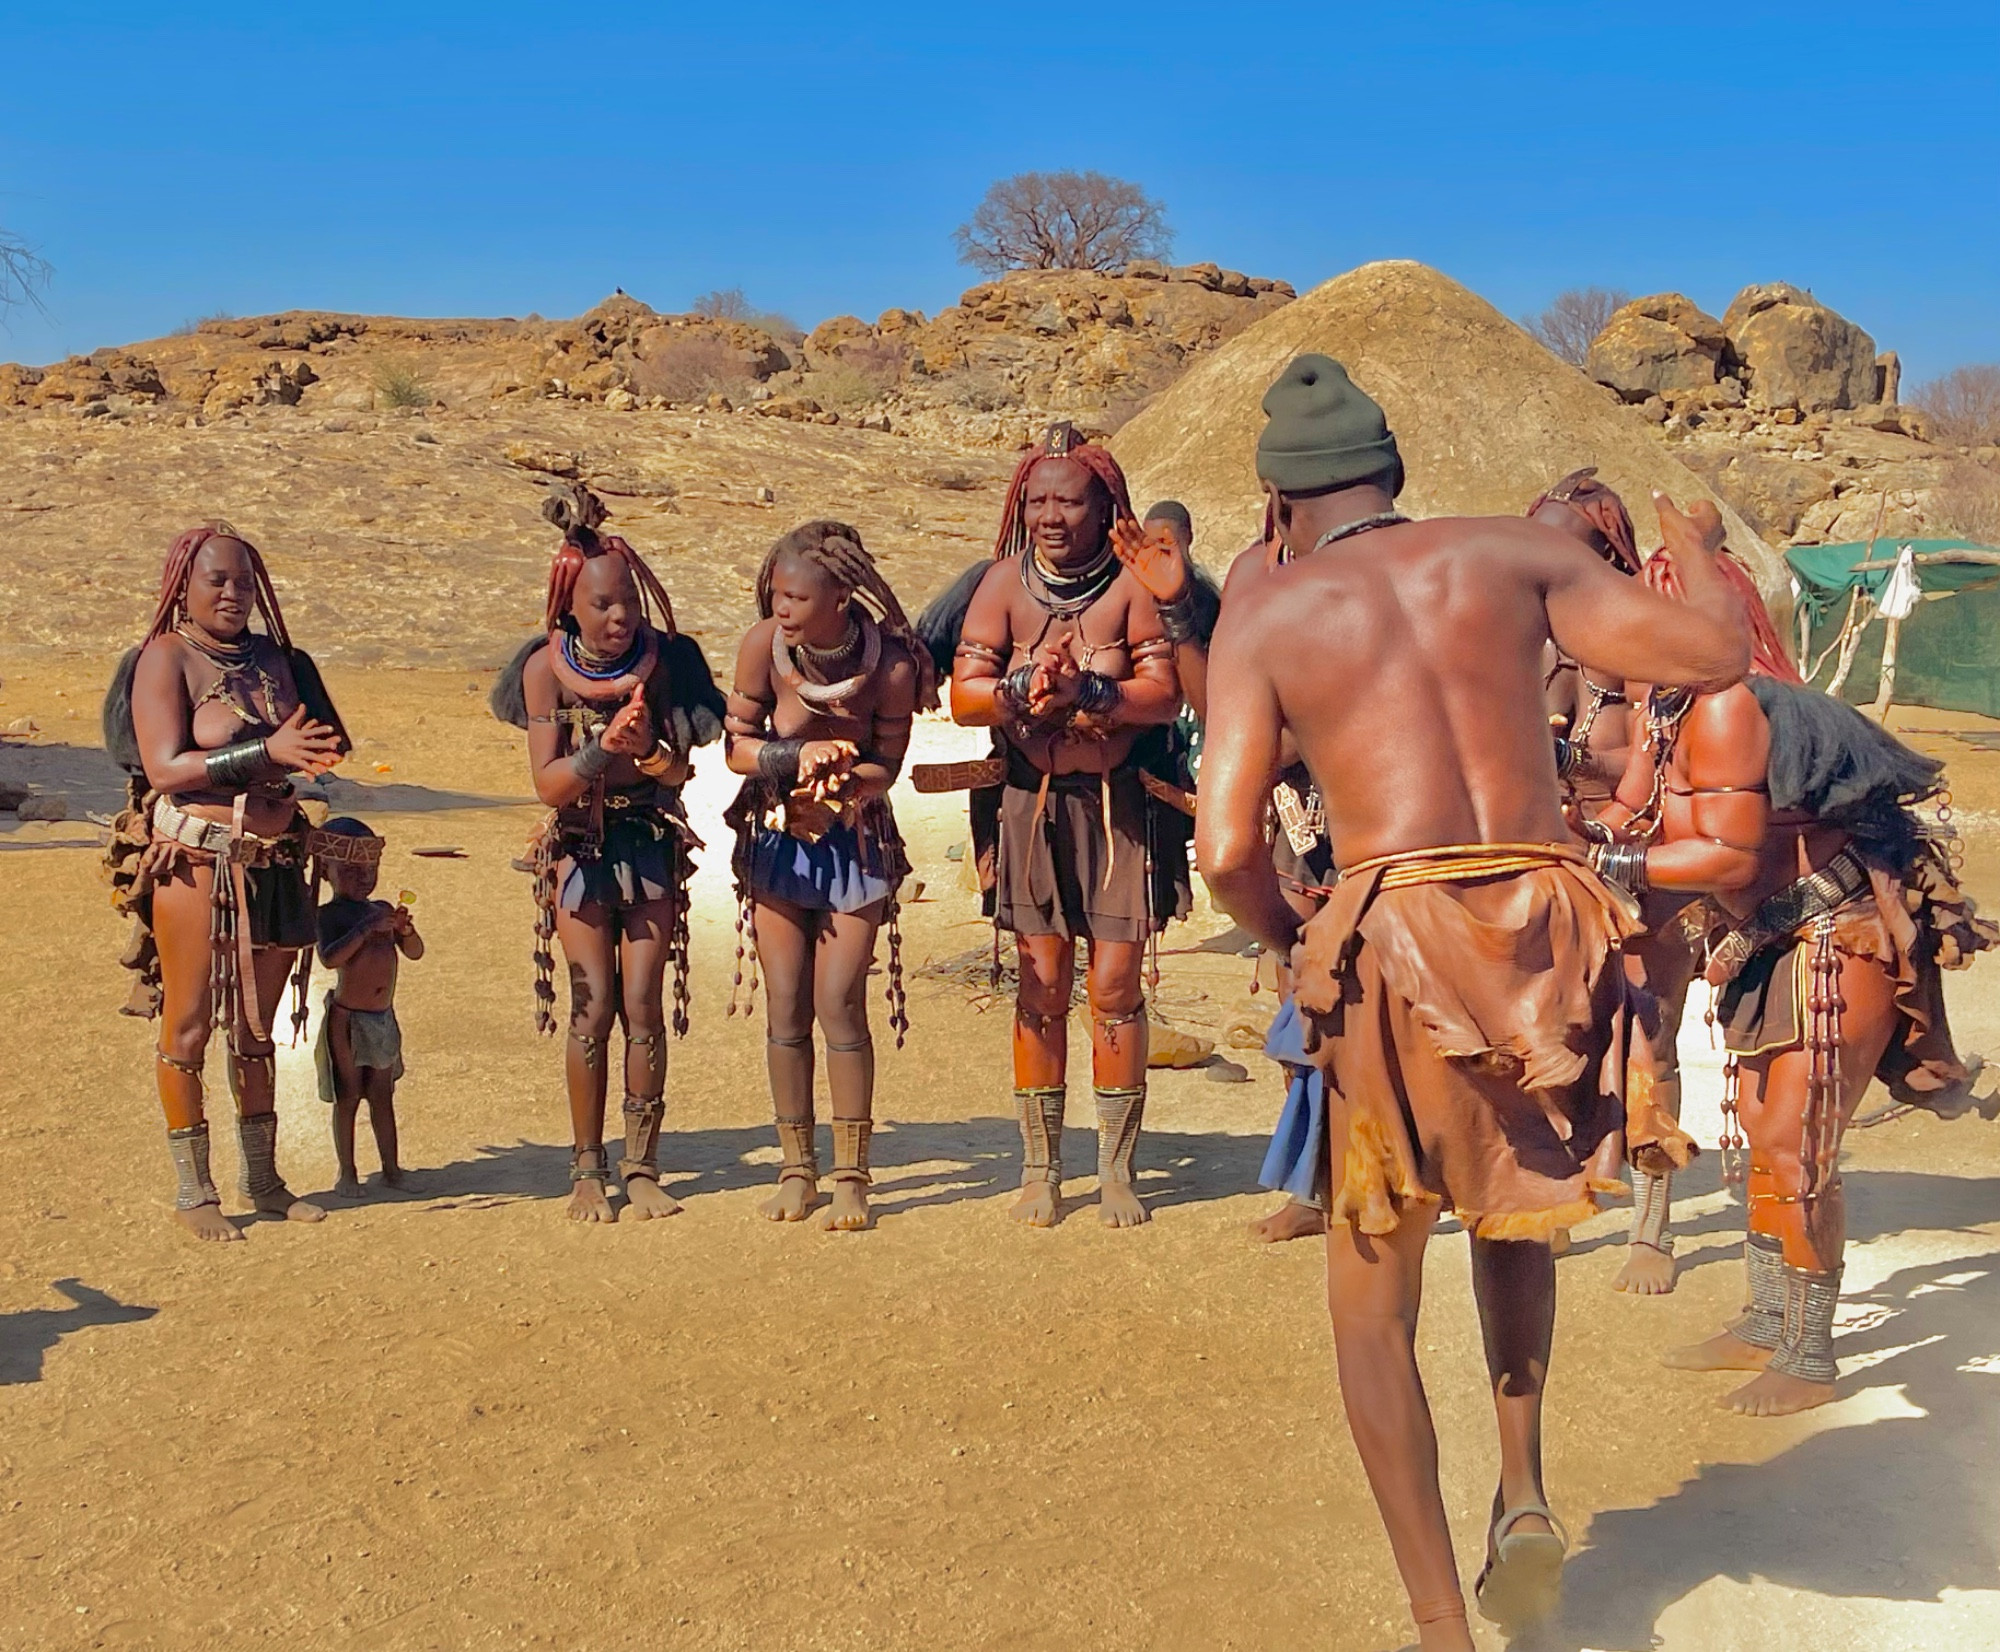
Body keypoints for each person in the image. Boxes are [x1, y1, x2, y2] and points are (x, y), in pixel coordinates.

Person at [1195, 354, 1750, 1647]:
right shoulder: (1512, 556)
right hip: (1551, 920)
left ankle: (1444, 1621)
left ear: (1279, 508)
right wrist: (1701, 546)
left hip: (1396, 930)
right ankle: (1526, 1490)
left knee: (1372, 1302)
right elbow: (1715, 651)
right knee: (1515, 1217)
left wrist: (1297, 941)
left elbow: (1227, 849)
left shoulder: (1269, 613)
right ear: (1395, 480)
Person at [1588, 550, 1995, 1414]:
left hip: (1834, 943)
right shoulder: (1668, 715)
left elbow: (1723, 843)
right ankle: (1766, 1320)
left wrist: (1609, 857)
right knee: (1766, 1139)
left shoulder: (1773, 714)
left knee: (1795, 1147)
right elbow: (1641, 817)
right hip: (1763, 946)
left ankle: (1809, 1355)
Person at [948, 422, 1188, 1228]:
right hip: (1029, 807)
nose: (1053, 514)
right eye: (1040, 499)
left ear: (1102, 506)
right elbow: (963, 694)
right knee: (1042, 983)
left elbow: (1165, 695)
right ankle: (1041, 1168)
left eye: (1071, 501)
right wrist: (1021, 688)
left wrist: (1089, 695)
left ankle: (1116, 1171)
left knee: (1115, 988)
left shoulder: (1130, 586)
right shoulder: (1001, 584)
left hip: (1117, 809)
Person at [102, 523, 350, 1241]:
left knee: (253, 1030)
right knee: (187, 1024)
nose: (234, 594)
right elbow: (165, 769)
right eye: (217, 580)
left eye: (243, 581)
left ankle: (265, 1180)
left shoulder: (275, 657)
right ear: (184, 584)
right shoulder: (164, 659)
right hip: (198, 864)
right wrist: (263, 749)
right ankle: (195, 1192)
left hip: (272, 865)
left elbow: (315, 741)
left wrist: (311, 752)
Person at [500, 484, 725, 1224]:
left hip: (650, 845)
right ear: (570, 607)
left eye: (627, 600)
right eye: (601, 605)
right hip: (579, 851)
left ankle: (643, 1164)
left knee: (643, 1005)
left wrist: (652, 753)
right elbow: (549, 784)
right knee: (592, 1005)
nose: (619, 615)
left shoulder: (665, 666)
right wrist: (602, 748)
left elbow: (682, 771)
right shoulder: (544, 669)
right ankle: (586, 1168)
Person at [722, 521, 930, 1232]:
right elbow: (737, 751)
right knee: (785, 1003)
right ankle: (795, 1168)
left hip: (856, 847)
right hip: (778, 843)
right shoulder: (762, 649)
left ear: (842, 594)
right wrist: (791, 762)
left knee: (838, 1000)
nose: (782, 608)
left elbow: (889, 766)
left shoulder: (891, 665)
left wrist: (841, 775)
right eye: (777, 595)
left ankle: (851, 1178)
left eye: (797, 597)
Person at [1527, 469, 1704, 1293]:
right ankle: (1562, 1193)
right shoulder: (1528, 639)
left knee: (1650, 1033)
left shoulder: (1644, 645)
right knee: (1557, 1031)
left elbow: (1655, 765)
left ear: (1604, 558)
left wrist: (1566, 757)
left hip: (1642, 863)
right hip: (1552, 860)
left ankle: (1652, 1226)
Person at [311, 816, 423, 1198]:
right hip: (347, 1021)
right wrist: (363, 931)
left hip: (382, 1018)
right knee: (348, 1097)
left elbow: (415, 953)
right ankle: (347, 1172)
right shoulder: (329, 916)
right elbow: (329, 958)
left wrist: (403, 931)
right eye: (351, 871)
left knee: (382, 1095)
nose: (364, 878)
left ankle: (391, 1168)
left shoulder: (382, 908)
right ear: (327, 872)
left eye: (370, 870)